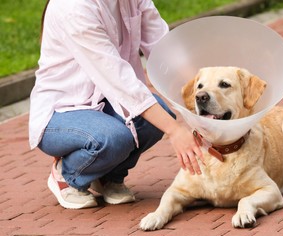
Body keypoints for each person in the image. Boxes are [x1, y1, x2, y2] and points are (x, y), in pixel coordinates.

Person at [29, 0, 203, 209]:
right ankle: (68, 174)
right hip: (61, 112)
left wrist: (204, 94)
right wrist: (175, 131)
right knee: (113, 137)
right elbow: (120, 81)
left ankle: (108, 177)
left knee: (155, 118)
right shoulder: (73, 7)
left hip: (108, 101)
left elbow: (164, 50)